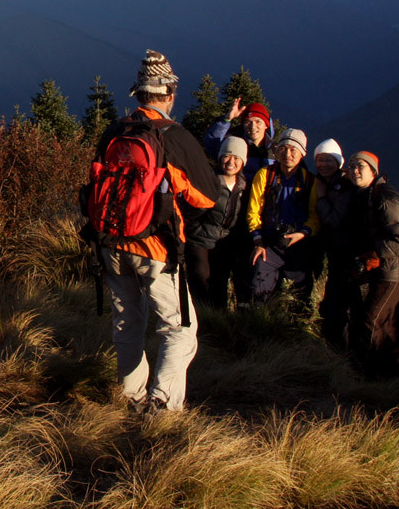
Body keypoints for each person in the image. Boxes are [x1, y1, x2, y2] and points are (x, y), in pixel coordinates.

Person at [89, 50, 217, 414]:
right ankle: (162, 406)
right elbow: (206, 197)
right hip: (155, 248)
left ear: (139, 93)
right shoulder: (173, 137)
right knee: (179, 330)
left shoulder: (115, 132)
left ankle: (131, 397)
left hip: (111, 245)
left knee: (127, 322)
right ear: (170, 93)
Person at [346, 151, 399, 376]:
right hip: (388, 267)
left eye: (360, 166)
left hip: (396, 270)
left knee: (372, 319)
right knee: (388, 321)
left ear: (373, 171)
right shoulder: (366, 194)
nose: (355, 170)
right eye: (351, 166)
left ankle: (369, 372)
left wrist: (374, 254)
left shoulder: (386, 198)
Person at [246, 128, 320, 303]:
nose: (287, 153)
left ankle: (294, 328)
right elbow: (253, 211)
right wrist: (258, 241)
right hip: (269, 245)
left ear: (302, 153)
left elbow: (315, 217)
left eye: (293, 149)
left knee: (299, 299)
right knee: (259, 291)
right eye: (283, 148)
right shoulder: (265, 175)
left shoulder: (310, 181)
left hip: (299, 245)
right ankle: (260, 323)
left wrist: (302, 233)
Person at [184, 135, 249, 310]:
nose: (231, 162)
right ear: (220, 157)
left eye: (236, 158)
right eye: (227, 156)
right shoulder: (207, 181)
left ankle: (218, 322)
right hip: (199, 239)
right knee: (201, 280)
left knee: (219, 283)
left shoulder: (243, 187)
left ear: (243, 161)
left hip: (224, 242)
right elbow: (189, 210)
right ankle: (199, 319)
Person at [312, 139, 358, 349]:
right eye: (320, 160)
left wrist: (320, 198)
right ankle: (337, 346)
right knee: (336, 301)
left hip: (345, 253)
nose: (323, 165)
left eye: (329, 160)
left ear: (339, 162)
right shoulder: (326, 182)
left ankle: (341, 349)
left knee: (339, 303)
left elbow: (333, 220)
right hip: (334, 252)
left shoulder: (344, 186)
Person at [203, 99, 276, 182]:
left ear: (266, 125)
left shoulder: (276, 150)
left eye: (258, 122)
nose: (253, 127)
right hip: (238, 193)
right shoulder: (235, 145)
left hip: (263, 194)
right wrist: (227, 120)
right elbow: (212, 145)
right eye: (248, 122)